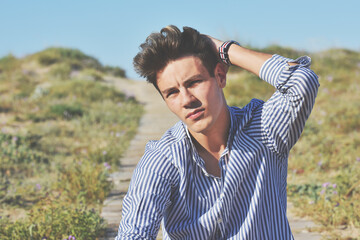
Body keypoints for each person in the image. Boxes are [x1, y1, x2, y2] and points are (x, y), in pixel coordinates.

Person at [116, 25, 319, 240]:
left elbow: (301, 81)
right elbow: (133, 234)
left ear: (220, 76)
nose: (187, 100)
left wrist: (223, 49)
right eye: (172, 92)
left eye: (194, 82)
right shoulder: (163, 159)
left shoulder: (263, 129)